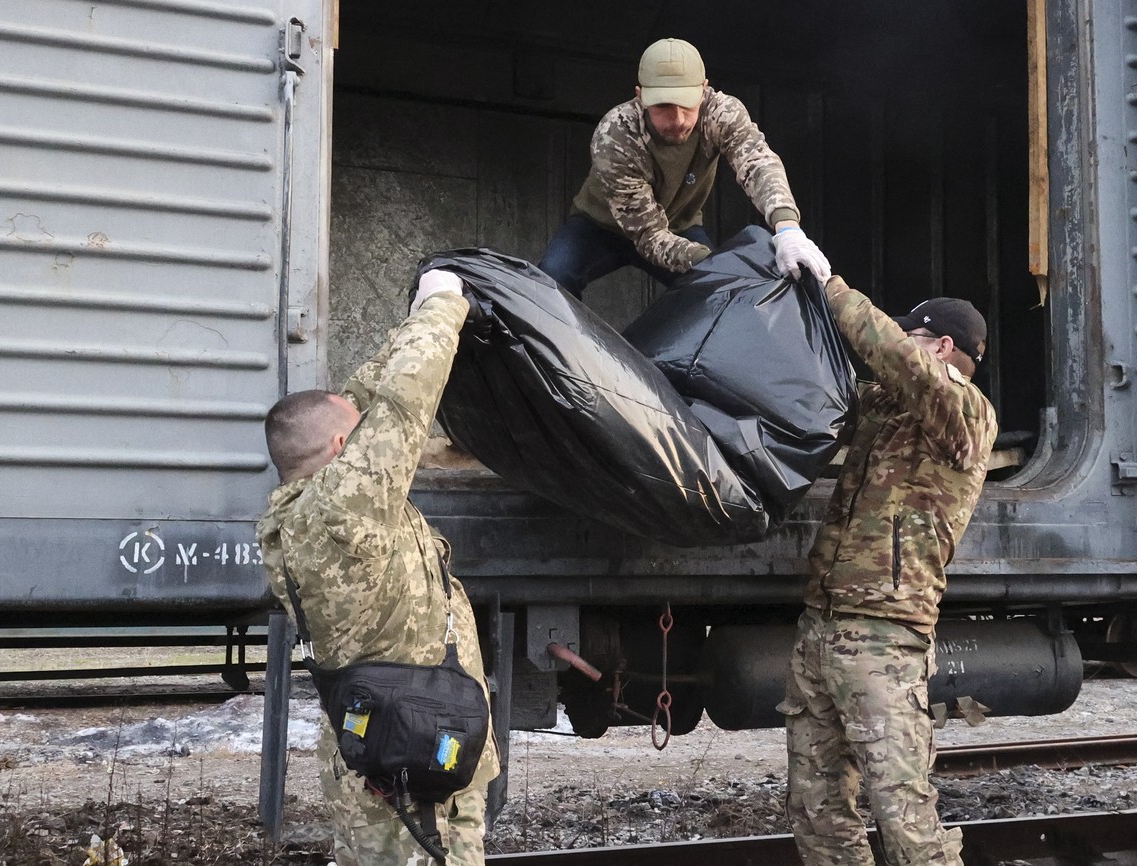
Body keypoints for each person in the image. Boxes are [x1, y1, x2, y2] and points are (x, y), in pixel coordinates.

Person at [256, 269, 497, 866]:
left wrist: (410, 318)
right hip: (407, 766)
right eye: (356, 436)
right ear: (341, 454)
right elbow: (404, 400)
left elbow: (363, 399)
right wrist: (442, 307)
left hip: (413, 743)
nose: (366, 431)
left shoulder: (311, 509)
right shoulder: (339, 508)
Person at [779, 282, 998, 866]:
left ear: (944, 347)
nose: (901, 343)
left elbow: (898, 358)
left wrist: (829, 287)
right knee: (816, 808)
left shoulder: (967, 414)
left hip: (884, 635)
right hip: (822, 627)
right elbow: (822, 398)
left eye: (914, 334)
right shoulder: (886, 407)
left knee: (903, 815)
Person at [539, 37, 831, 298]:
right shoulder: (615, 135)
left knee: (717, 294)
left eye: (687, 104)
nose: (677, 119)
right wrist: (718, 261)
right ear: (640, 96)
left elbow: (757, 163)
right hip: (600, 228)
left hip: (680, 226)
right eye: (664, 106)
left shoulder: (721, 113)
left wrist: (787, 228)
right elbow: (649, 236)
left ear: (704, 90)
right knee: (552, 279)